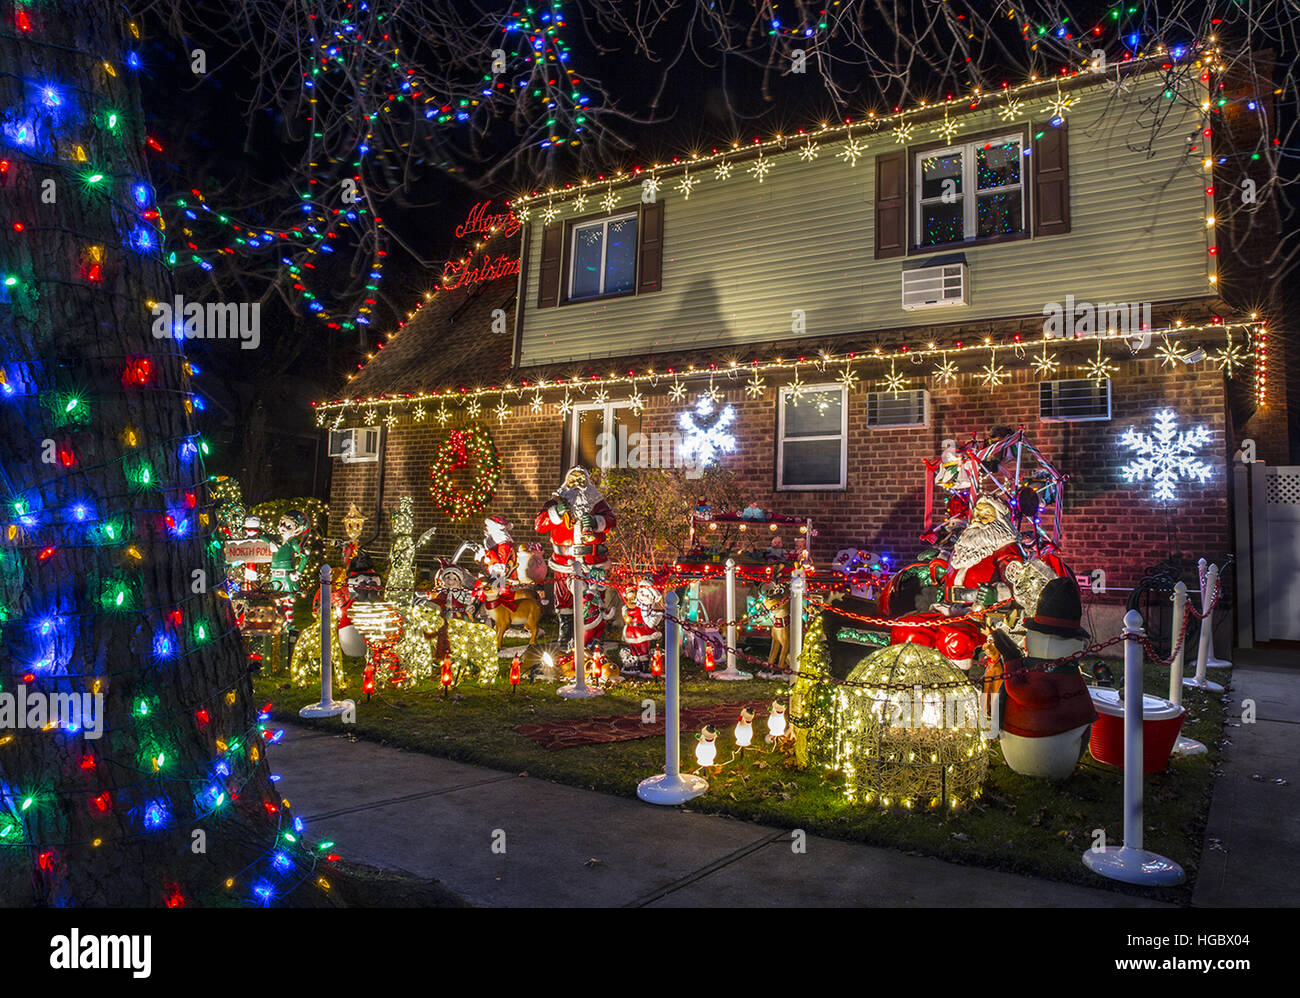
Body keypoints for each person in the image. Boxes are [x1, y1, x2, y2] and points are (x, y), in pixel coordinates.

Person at [535, 466, 617, 648]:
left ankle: (595, 635)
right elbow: (540, 524)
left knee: (595, 597)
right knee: (564, 598)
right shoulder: (555, 502)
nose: (577, 484)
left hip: (592, 561)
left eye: (581, 480)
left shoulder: (597, 502)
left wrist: (596, 522)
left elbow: (611, 519)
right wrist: (556, 513)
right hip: (564, 562)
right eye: (573, 479)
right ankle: (566, 633)